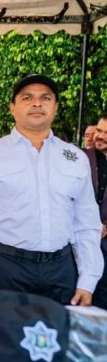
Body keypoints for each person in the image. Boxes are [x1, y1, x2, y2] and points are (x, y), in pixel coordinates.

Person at [0, 75, 103, 307]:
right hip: (7, 269)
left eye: (45, 98)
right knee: (6, 341)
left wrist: (88, 280)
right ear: (12, 108)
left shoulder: (75, 158)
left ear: (55, 107)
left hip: (61, 269)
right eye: (27, 98)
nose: (37, 103)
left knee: (58, 340)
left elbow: (86, 222)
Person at [84, 115, 107, 309]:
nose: (100, 136)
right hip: (82, 241)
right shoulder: (81, 157)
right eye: (99, 131)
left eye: (106, 133)